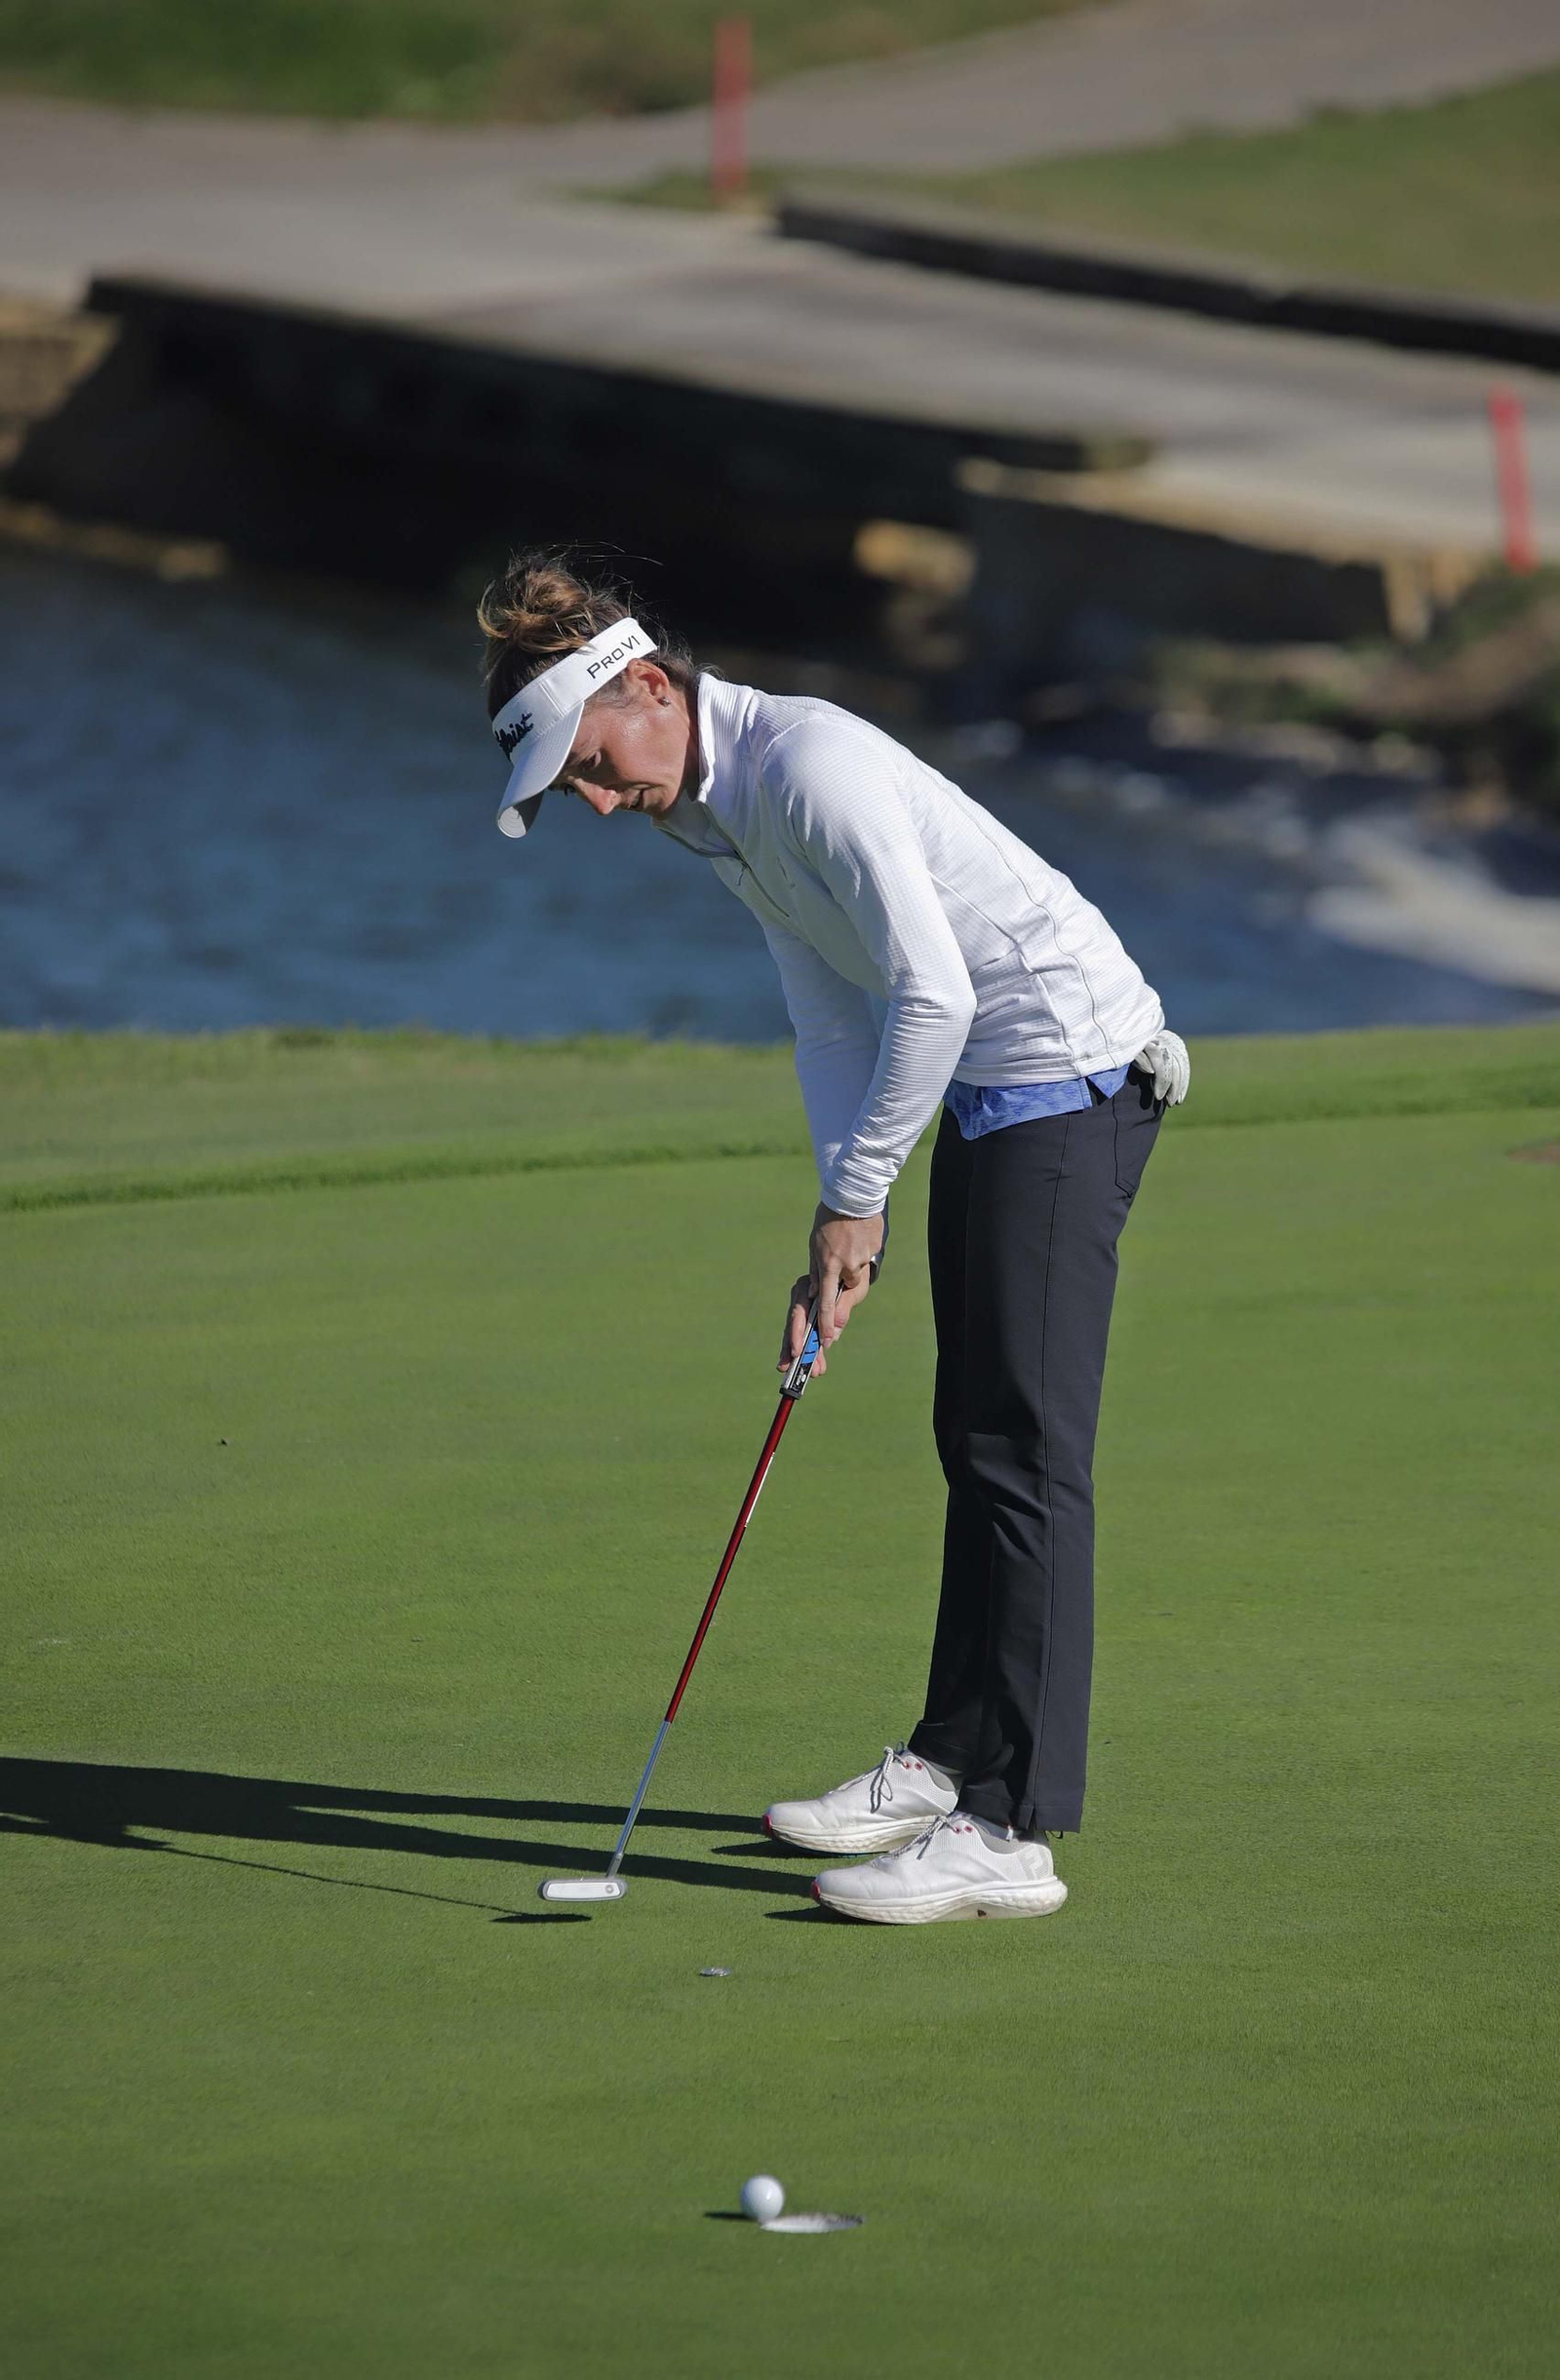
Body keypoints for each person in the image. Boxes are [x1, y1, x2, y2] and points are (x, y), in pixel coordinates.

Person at [480, 552, 1189, 1927]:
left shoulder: (807, 767)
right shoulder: (710, 809)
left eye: (590, 764)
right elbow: (826, 1012)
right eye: (570, 786)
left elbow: (931, 993)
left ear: (648, 689)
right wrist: (840, 1220)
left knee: (1026, 1455)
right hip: (990, 1084)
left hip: (1069, 1067)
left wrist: (860, 1192)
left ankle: (1012, 1831)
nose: (596, 800)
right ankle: (949, 1759)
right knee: (975, 1435)